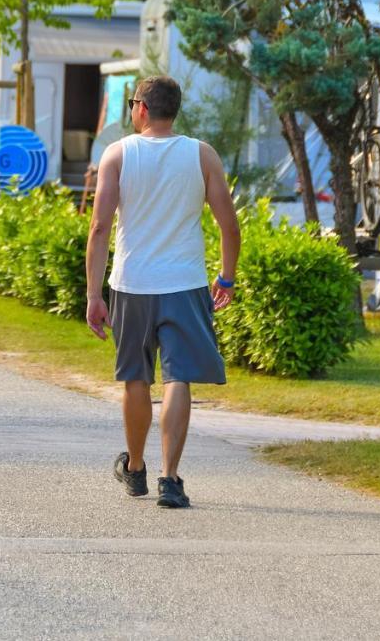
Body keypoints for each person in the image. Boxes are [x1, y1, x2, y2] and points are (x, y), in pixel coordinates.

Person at [85, 76, 241, 509]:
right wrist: (226, 278)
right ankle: (169, 479)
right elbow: (229, 224)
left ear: (140, 108)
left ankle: (135, 470)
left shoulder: (117, 153)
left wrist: (93, 294)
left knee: (135, 377)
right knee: (178, 378)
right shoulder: (201, 154)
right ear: (173, 110)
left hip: (131, 284)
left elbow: (99, 227)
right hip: (185, 283)